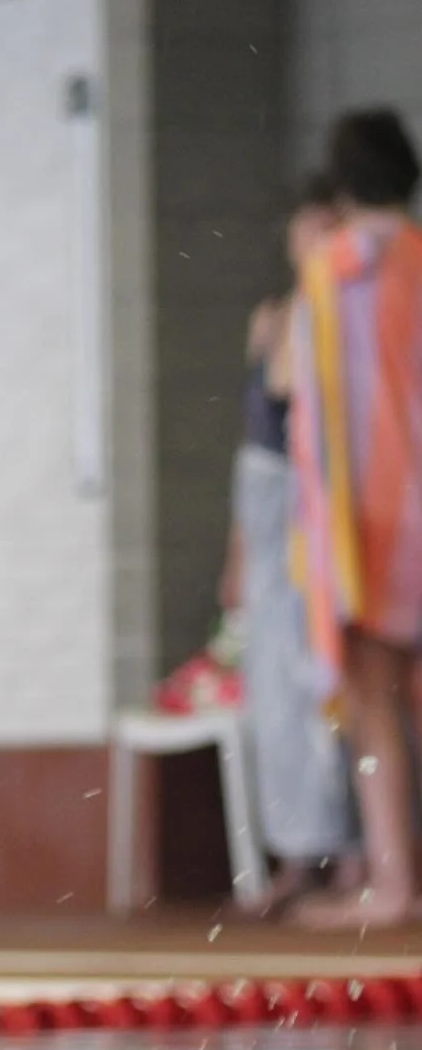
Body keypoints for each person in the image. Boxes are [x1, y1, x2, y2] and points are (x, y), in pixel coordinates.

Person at [290, 108, 422, 929]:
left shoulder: (331, 272)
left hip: (370, 521)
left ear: (341, 185)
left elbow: (314, 419)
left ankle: (395, 879)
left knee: (374, 699)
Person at [222, 173, 360, 916]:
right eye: (303, 235)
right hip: (268, 503)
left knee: (326, 682)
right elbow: (252, 451)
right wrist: (236, 555)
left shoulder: (344, 324)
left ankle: (353, 848)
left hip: (318, 508)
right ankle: (295, 849)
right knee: (274, 692)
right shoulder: (273, 318)